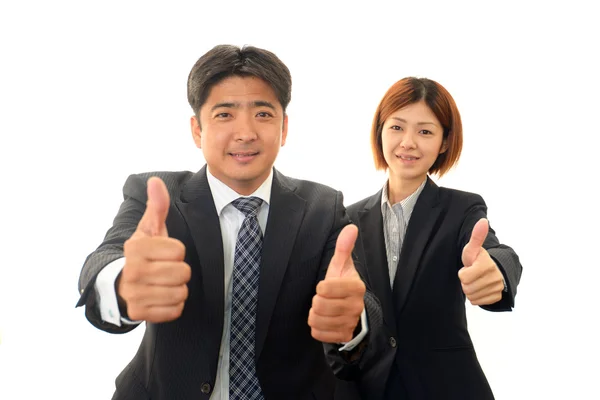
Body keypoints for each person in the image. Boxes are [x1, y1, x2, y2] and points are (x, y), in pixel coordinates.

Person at [76, 44, 377, 400]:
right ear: (197, 129)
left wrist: (353, 319)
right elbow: (106, 257)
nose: (246, 132)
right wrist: (124, 283)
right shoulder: (155, 194)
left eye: (263, 114)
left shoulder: (323, 207)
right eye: (224, 114)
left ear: (283, 128)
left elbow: (352, 292)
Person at [327, 77, 523, 400]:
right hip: (368, 391)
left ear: (444, 142)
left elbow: (495, 252)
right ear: (380, 131)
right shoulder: (346, 220)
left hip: (445, 388)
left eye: (425, 131)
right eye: (397, 127)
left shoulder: (461, 209)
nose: (408, 142)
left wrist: (498, 273)